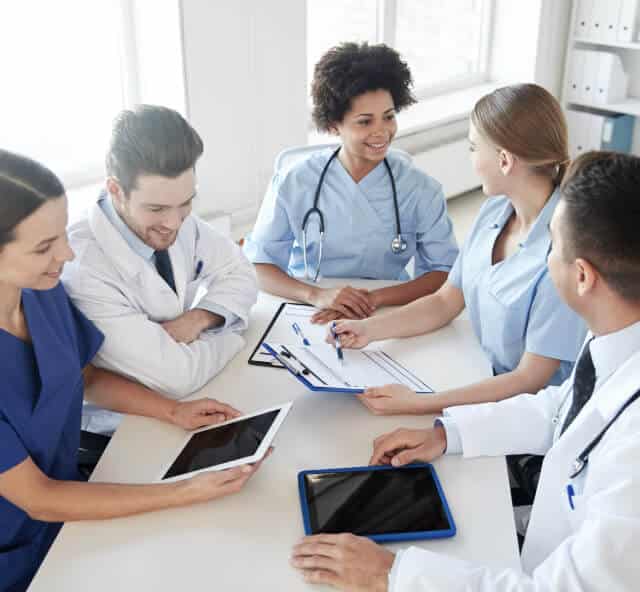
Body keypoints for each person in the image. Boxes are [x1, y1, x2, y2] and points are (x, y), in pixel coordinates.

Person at [291, 150, 640, 591]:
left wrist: (393, 575)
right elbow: (563, 408)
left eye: (552, 244)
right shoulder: (619, 334)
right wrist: (447, 434)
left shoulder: (635, 452)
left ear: (583, 277)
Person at [0, 151, 264, 592]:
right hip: (18, 550)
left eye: (62, 235)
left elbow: (86, 378)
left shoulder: (41, 295)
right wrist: (184, 491)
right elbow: (38, 497)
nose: (66, 254)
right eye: (44, 247)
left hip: (74, 508)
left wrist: (171, 411)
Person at [333, 84, 586, 415]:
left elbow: (529, 380)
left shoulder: (563, 254)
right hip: (474, 371)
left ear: (505, 160)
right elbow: (444, 301)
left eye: (472, 147)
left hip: (527, 412)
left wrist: (421, 403)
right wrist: (369, 330)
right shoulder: (494, 213)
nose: (471, 159)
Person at [63, 105, 258, 434]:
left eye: (185, 203)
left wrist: (200, 318)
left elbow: (241, 272)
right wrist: (235, 329)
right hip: (126, 427)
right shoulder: (83, 268)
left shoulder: (175, 217)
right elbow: (176, 378)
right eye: (156, 208)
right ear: (115, 191)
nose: (173, 223)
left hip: (194, 399)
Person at [243, 42, 458, 324]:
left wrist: (373, 300)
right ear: (334, 125)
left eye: (389, 117)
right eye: (365, 122)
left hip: (387, 306)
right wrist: (316, 295)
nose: (382, 132)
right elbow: (259, 265)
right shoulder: (294, 182)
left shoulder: (420, 190)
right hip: (307, 304)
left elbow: (444, 271)